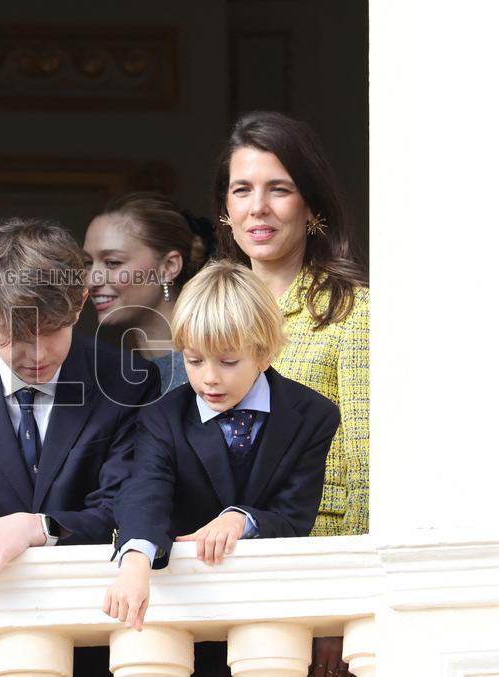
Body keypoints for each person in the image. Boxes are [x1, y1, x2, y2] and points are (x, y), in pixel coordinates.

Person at [0, 217, 159, 676]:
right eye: (21, 337)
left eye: (55, 331)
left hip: (107, 631)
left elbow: (127, 507)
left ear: (80, 301)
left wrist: (37, 526)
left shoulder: (129, 380)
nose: (40, 355)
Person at [104, 261, 339, 675]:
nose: (209, 378)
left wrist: (241, 518)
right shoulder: (162, 417)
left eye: (228, 362)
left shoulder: (313, 415)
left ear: (264, 353)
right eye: (194, 361)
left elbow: (295, 516)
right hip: (182, 611)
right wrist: (136, 559)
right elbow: (146, 490)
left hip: (268, 611)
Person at [212, 110, 369, 677]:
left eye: (279, 189)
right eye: (242, 190)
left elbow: (364, 469)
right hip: (213, 577)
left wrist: (337, 608)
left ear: (311, 206)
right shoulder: (207, 309)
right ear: (225, 209)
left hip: (309, 571)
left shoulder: (352, 313)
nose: (258, 207)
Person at [83, 192, 211, 393]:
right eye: (88, 263)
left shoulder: (212, 376)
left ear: (168, 266)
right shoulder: (113, 376)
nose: (91, 280)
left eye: (112, 262)